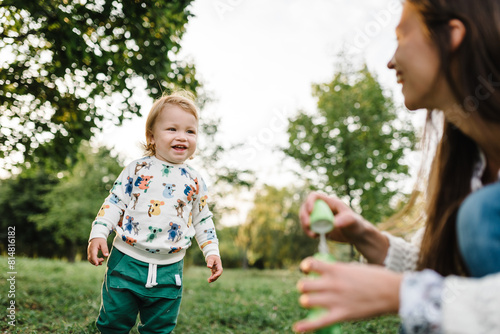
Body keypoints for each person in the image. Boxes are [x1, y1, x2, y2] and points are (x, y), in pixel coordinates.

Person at [294, 0, 500, 333]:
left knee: (481, 213)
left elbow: (433, 287)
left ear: (449, 37)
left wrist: (405, 294)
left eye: (401, 37)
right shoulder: (467, 163)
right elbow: (443, 267)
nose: (390, 61)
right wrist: (364, 235)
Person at [87, 92, 223, 334]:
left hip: (170, 270)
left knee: (160, 328)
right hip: (126, 261)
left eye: (190, 131)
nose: (182, 136)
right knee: (114, 323)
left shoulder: (195, 180)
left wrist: (211, 250)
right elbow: (115, 201)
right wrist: (99, 232)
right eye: (172, 129)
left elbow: (203, 218)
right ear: (152, 136)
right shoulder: (137, 169)